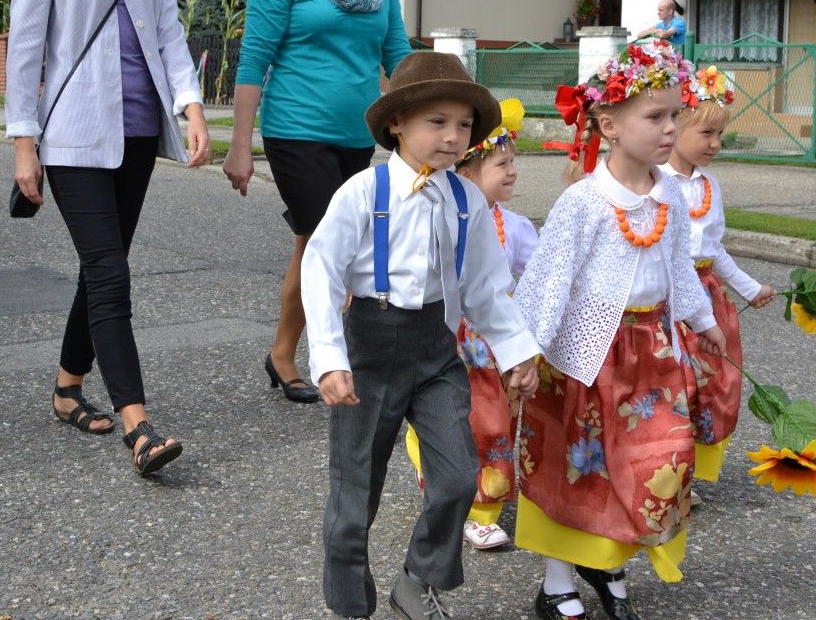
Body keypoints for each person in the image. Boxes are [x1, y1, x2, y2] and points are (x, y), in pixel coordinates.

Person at [301, 51, 542, 620]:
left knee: (460, 476)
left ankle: (418, 580)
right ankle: (350, 607)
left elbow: (486, 284)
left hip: (435, 351)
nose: (453, 137)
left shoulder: (466, 201)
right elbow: (321, 268)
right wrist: (329, 357)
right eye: (437, 123)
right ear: (397, 124)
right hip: (369, 349)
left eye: (463, 125)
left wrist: (516, 352)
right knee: (354, 494)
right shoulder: (364, 192)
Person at [5, 0, 209, 476]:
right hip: (74, 136)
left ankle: (68, 389)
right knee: (110, 269)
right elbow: (26, 45)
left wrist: (192, 107)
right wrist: (23, 143)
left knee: (101, 268)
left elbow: (172, 38)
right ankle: (137, 425)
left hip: (139, 132)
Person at [511, 41, 727, 620]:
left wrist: (703, 323)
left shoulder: (671, 197)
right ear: (609, 124)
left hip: (653, 351)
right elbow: (549, 281)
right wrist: (526, 353)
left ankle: (607, 562)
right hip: (588, 354)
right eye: (655, 116)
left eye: (674, 115)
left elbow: (680, 267)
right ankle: (558, 581)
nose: (669, 128)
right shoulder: (583, 203)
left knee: (657, 460)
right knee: (577, 465)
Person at [223, 0, 411, 404]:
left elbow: (396, 54)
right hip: (296, 131)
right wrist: (240, 147)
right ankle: (341, 360)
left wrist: (434, 108)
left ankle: (284, 353)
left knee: (316, 245)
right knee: (335, 246)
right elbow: (253, 62)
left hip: (359, 135)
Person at [403, 98, 538, 551]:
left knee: (496, 424)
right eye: (501, 163)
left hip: (495, 348)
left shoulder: (516, 227)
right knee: (452, 420)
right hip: (451, 342)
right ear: (466, 172)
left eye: (513, 162)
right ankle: (444, 482)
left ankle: (484, 509)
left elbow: (536, 280)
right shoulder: (438, 214)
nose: (512, 172)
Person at [660, 65, 777, 486]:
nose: (715, 144)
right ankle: (665, 471)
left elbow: (714, 249)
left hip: (708, 296)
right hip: (671, 298)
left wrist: (749, 286)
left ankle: (693, 472)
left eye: (719, 135)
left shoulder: (710, 186)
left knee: (715, 384)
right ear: (675, 129)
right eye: (705, 134)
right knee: (675, 387)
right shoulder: (656, 184)